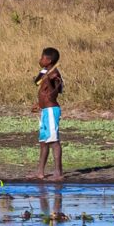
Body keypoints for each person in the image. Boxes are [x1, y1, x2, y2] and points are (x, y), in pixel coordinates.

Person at [35, 46, 65, 179]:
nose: (40, 59)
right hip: (44, 110)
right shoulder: (46, 71)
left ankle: (58, 172)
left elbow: (56, 92)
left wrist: (50, 80)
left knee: (54, 141)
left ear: (49, 60)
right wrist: (39, 103)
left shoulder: (55, 74)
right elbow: (38, 83)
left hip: (51, 110)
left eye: (42, 57)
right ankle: (40, 172)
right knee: (43, 141)